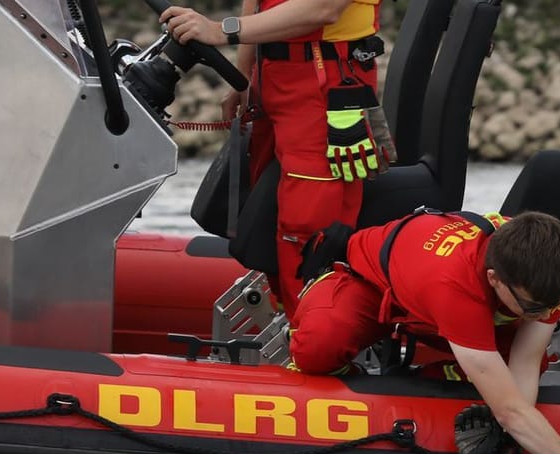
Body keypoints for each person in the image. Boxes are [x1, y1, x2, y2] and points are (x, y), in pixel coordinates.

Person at [290, 208, 560, 454]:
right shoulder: (457, 285)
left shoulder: (546, 276)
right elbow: (511, 410)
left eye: (555, 305)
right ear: (494, 279)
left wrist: (509, 444)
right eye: (532, 307)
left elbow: (524, 366)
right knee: (318, 346)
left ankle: (427, 381)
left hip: (442, 305)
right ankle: (361, 382)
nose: (543, 315)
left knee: (515, 374)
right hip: (374, 285)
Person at [159, 0, 390, 319]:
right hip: (271, 80)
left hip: (327, 83)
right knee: (266, 214)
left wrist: (219, 30)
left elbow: (323, 9)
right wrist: (242, 77)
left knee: (308, 228)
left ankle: (313, 341)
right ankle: (289, 324)